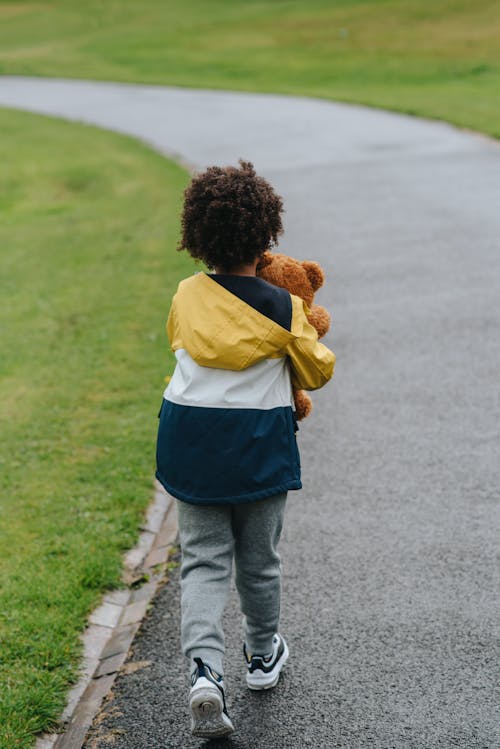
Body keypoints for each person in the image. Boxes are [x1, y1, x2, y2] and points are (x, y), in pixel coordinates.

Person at [155, 160, 335, 739]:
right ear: (266, 234)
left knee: (203, 560)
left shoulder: (186, 294)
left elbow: (180, 340)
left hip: (190, 437)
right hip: (258, 441)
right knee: (259, 559)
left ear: (197, 237)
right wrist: (301, 328)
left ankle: (205, 672)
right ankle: (261, 657)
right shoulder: (281, 307)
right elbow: (317, 369)